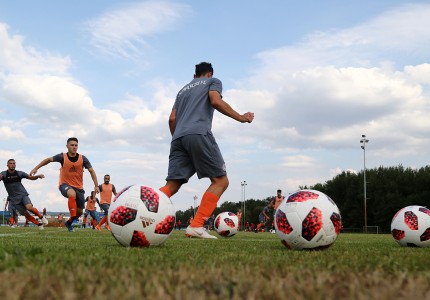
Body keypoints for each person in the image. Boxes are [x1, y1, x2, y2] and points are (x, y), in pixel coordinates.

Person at [159, 62, 254, 239]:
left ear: (195, 76)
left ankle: (144, 211)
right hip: (198, 133)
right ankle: (196, 225)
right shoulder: (213, 81)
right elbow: (215, 101)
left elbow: (172, 119)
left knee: (172, 185)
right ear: (209, 74)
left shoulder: (182, 90)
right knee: (220, 181)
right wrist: (241, 117)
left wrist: (179, 139)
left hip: (177, 138)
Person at [30, 137, 100, 232]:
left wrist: (96, 185)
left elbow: (91, 171)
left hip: (79, 188)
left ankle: (69, 222)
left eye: (76, 145)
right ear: (67, 146)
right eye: (72, 145)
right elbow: (48, 160)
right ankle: (74, 219)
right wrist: (36, 168)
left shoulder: (83, 158)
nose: (74, 147)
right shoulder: (62, 157)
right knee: (72, 194)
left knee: (79, 212)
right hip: (64, 185)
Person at [0, 159, 48, 229]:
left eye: (13, 163)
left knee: (29, 207)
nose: (12, 164)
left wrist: (37, 176)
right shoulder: (4, 174)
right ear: (7, 165)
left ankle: (41, 217)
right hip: (14, 199)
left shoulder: (19, 173)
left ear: (15, 165)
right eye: (10, 163)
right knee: (25, 214)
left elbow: (30, 177)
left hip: (23, 195)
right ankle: (39, 224)